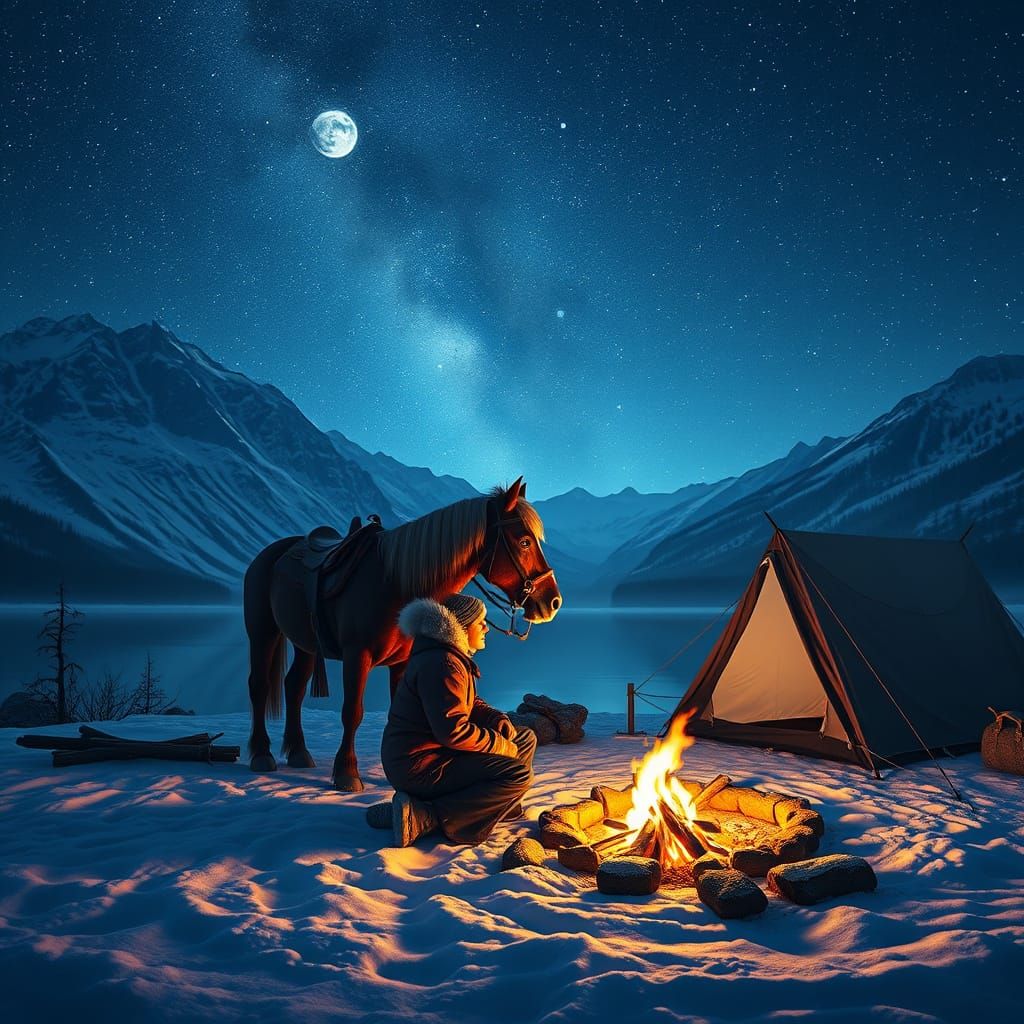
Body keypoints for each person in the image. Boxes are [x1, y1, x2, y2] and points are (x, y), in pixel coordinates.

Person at [380, 593, 537, 847]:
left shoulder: (449, 656)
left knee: (524, 738)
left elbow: (468, 702)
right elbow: (453, 732)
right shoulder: (442, 663)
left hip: (434, 756)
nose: (487, 627)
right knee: (518, 774)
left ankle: (497, 807)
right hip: (420, 765)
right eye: (480, 622)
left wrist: (496, 718)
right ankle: (428, 817)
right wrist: (499, 745)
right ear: (462, 627)